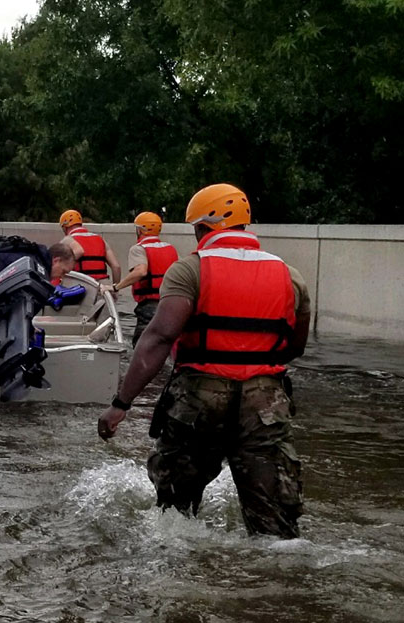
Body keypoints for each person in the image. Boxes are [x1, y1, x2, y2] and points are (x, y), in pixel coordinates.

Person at [97, 183, 311, 539]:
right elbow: (294, 347)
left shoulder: (189, 270)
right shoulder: (290, 275)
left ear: (201, 228)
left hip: (199, 399)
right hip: (265, 403)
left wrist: (121, 404)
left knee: (175, 516)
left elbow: (159, 338)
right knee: (274, 527)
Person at [0, 239, 76, 336]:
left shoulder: (35, 261)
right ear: (56, 260)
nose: (62, 276)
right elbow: (18, 304)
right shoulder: (36, 271)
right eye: (64, 271)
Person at [109, 212, 179, 346]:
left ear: (140, 230)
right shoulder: (170, 248)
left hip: (150, 304)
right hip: (169, 302)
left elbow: (140, 271)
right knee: (166, 342)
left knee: (143, 345)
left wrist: (115, 287)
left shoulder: (138, 249)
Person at [59, 209, 121, 284]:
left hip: (81, 284)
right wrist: (115, 288)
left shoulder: (67, 240)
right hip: (102, 285)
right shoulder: (100, 239)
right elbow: (116, 267)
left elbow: (60, 266)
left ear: (65, 227)